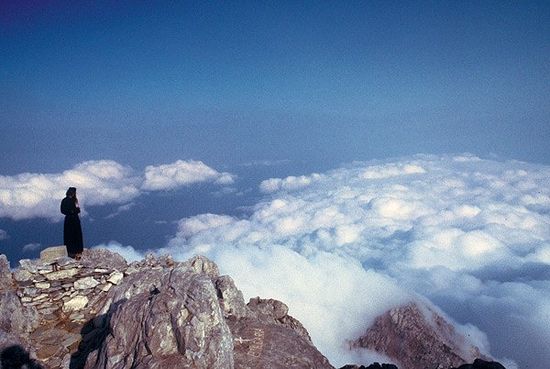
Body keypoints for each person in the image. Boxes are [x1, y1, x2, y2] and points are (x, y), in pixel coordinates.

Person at [60, 187, 83, 259]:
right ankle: (71, 252)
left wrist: (74, 211)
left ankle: (77, 251)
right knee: (70, 236)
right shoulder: (66, 200)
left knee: (76, 235)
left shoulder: (74, 200)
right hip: (71, 219)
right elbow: (63, 210)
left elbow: (78, 209)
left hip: (73, 219)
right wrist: (71, 211)